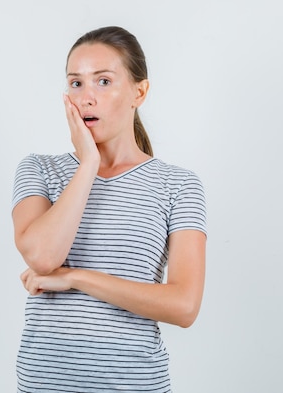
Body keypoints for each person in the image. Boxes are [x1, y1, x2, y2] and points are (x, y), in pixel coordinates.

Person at [11, 26, 207, 393]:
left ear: (139, 91)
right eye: (76, 83)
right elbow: (41, 256)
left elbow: (184, 305)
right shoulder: (39, 169)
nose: (86, 98)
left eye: (103, 81)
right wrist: (88, 163)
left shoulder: (178, 185)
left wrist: (76, 278)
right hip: (44, 384)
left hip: (134, 384)